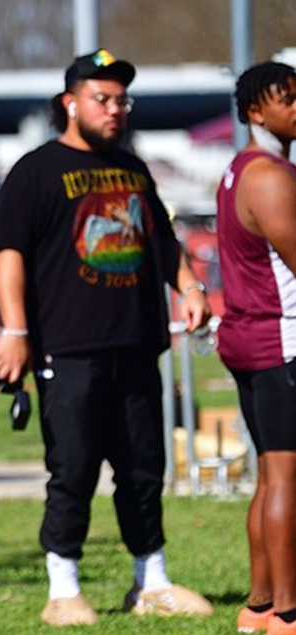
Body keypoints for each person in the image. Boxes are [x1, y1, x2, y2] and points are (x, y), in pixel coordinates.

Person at [0, 49, 214, 626]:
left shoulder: (133, 168)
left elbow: (163, 242)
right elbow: (8, 254)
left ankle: (152, 581)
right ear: (71, 103)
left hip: (136, 343)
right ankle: (63, 588)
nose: (115, 110)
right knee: (75, 468)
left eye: (122, 100)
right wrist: (15, 330)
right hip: (69, 346)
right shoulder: (35, 169)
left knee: (143, 467)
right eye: (103, 99)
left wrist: (189, 288)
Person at [215, 61, 296, 635]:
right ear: (254, 110)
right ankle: (289, 612)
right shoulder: (269, 175)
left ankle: (260, 607)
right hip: (280, 340)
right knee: (287, 477)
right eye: (286, 100)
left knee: (271, 474)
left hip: (251, 337)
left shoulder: (240, 168)